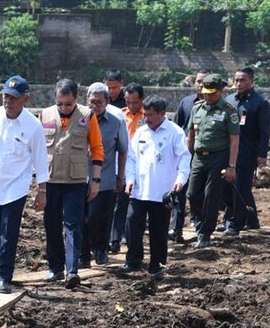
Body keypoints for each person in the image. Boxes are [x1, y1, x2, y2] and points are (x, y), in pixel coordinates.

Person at [0, 76, 48, 293]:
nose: (8, 101)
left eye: (13, 98)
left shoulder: (33, 126)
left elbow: (40, 158)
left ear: (25, 99)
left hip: (15, 186)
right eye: (5, 96)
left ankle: (3, 276)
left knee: (8, 233)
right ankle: (0, 265)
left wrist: (42, 190)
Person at [40, 78, 105, 288]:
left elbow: (97, 149)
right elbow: (37, 149)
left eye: (68, 104)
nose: (64, 108)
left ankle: (72, 270)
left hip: (75, 182)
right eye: (60, 103)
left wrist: (95, 180)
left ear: (76, 99)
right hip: (50, 180)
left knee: (72, 224)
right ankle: (55, 267)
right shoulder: (45, 114)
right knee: (51, 224)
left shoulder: (88, 116)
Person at [121, 96, 190, 276]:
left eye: (151, 115)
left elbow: (184, 158)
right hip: (139, 189)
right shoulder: (141, 132)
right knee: (131, 222)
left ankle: (157, 264)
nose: (147, 118)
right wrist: (129, 178)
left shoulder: (175, 132)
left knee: (159, 229)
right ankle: (134, 260)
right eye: (145, 114)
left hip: (163, 191)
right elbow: (131, 158)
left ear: (162, 114)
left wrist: (180, 180)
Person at [186, 73, 240, 250]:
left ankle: (205, 233)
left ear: (221, 91)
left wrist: (231, 166)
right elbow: (191, 135)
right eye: (205, 93)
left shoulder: (229, 110)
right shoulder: (197, 108)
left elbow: (234, 140)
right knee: (193, 194)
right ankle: (200, 223)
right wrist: (190, 155)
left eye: (212, 93)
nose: (207, 96)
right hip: (199, 157)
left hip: (219, 157)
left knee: (211, 195)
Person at [81, 82, 128, 267]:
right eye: (92, 102)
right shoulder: (79, 119)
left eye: (99, 102)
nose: (95, 106)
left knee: (100, 217)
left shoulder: (116, 122)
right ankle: (83, 254)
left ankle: (101, 250)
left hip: (105, 178)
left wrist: (120, 177)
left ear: (107, 102)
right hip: (80, 177)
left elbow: (123, 150)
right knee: (82, 218)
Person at [224, 65, 269, 233]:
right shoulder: (229, 100)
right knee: (230, 187)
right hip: (228, 152)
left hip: (247, 152)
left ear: (252, 81)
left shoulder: (260, 103)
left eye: (243, 80)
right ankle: (252, 220)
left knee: (241, 187)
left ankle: (235, 223)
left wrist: (262, 154)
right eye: (236, 80)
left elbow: (265, 132)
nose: (238, 83)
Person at [170, 69, 206, 241]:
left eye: (205, 81)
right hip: (185, 155)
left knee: (198, 194)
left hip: (206, 157)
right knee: (179, 191)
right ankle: (176, 230)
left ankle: (201, 229)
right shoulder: (186, 103)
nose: (201, 84)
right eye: (198, 81)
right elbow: (176, 127)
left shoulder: (216, 106)